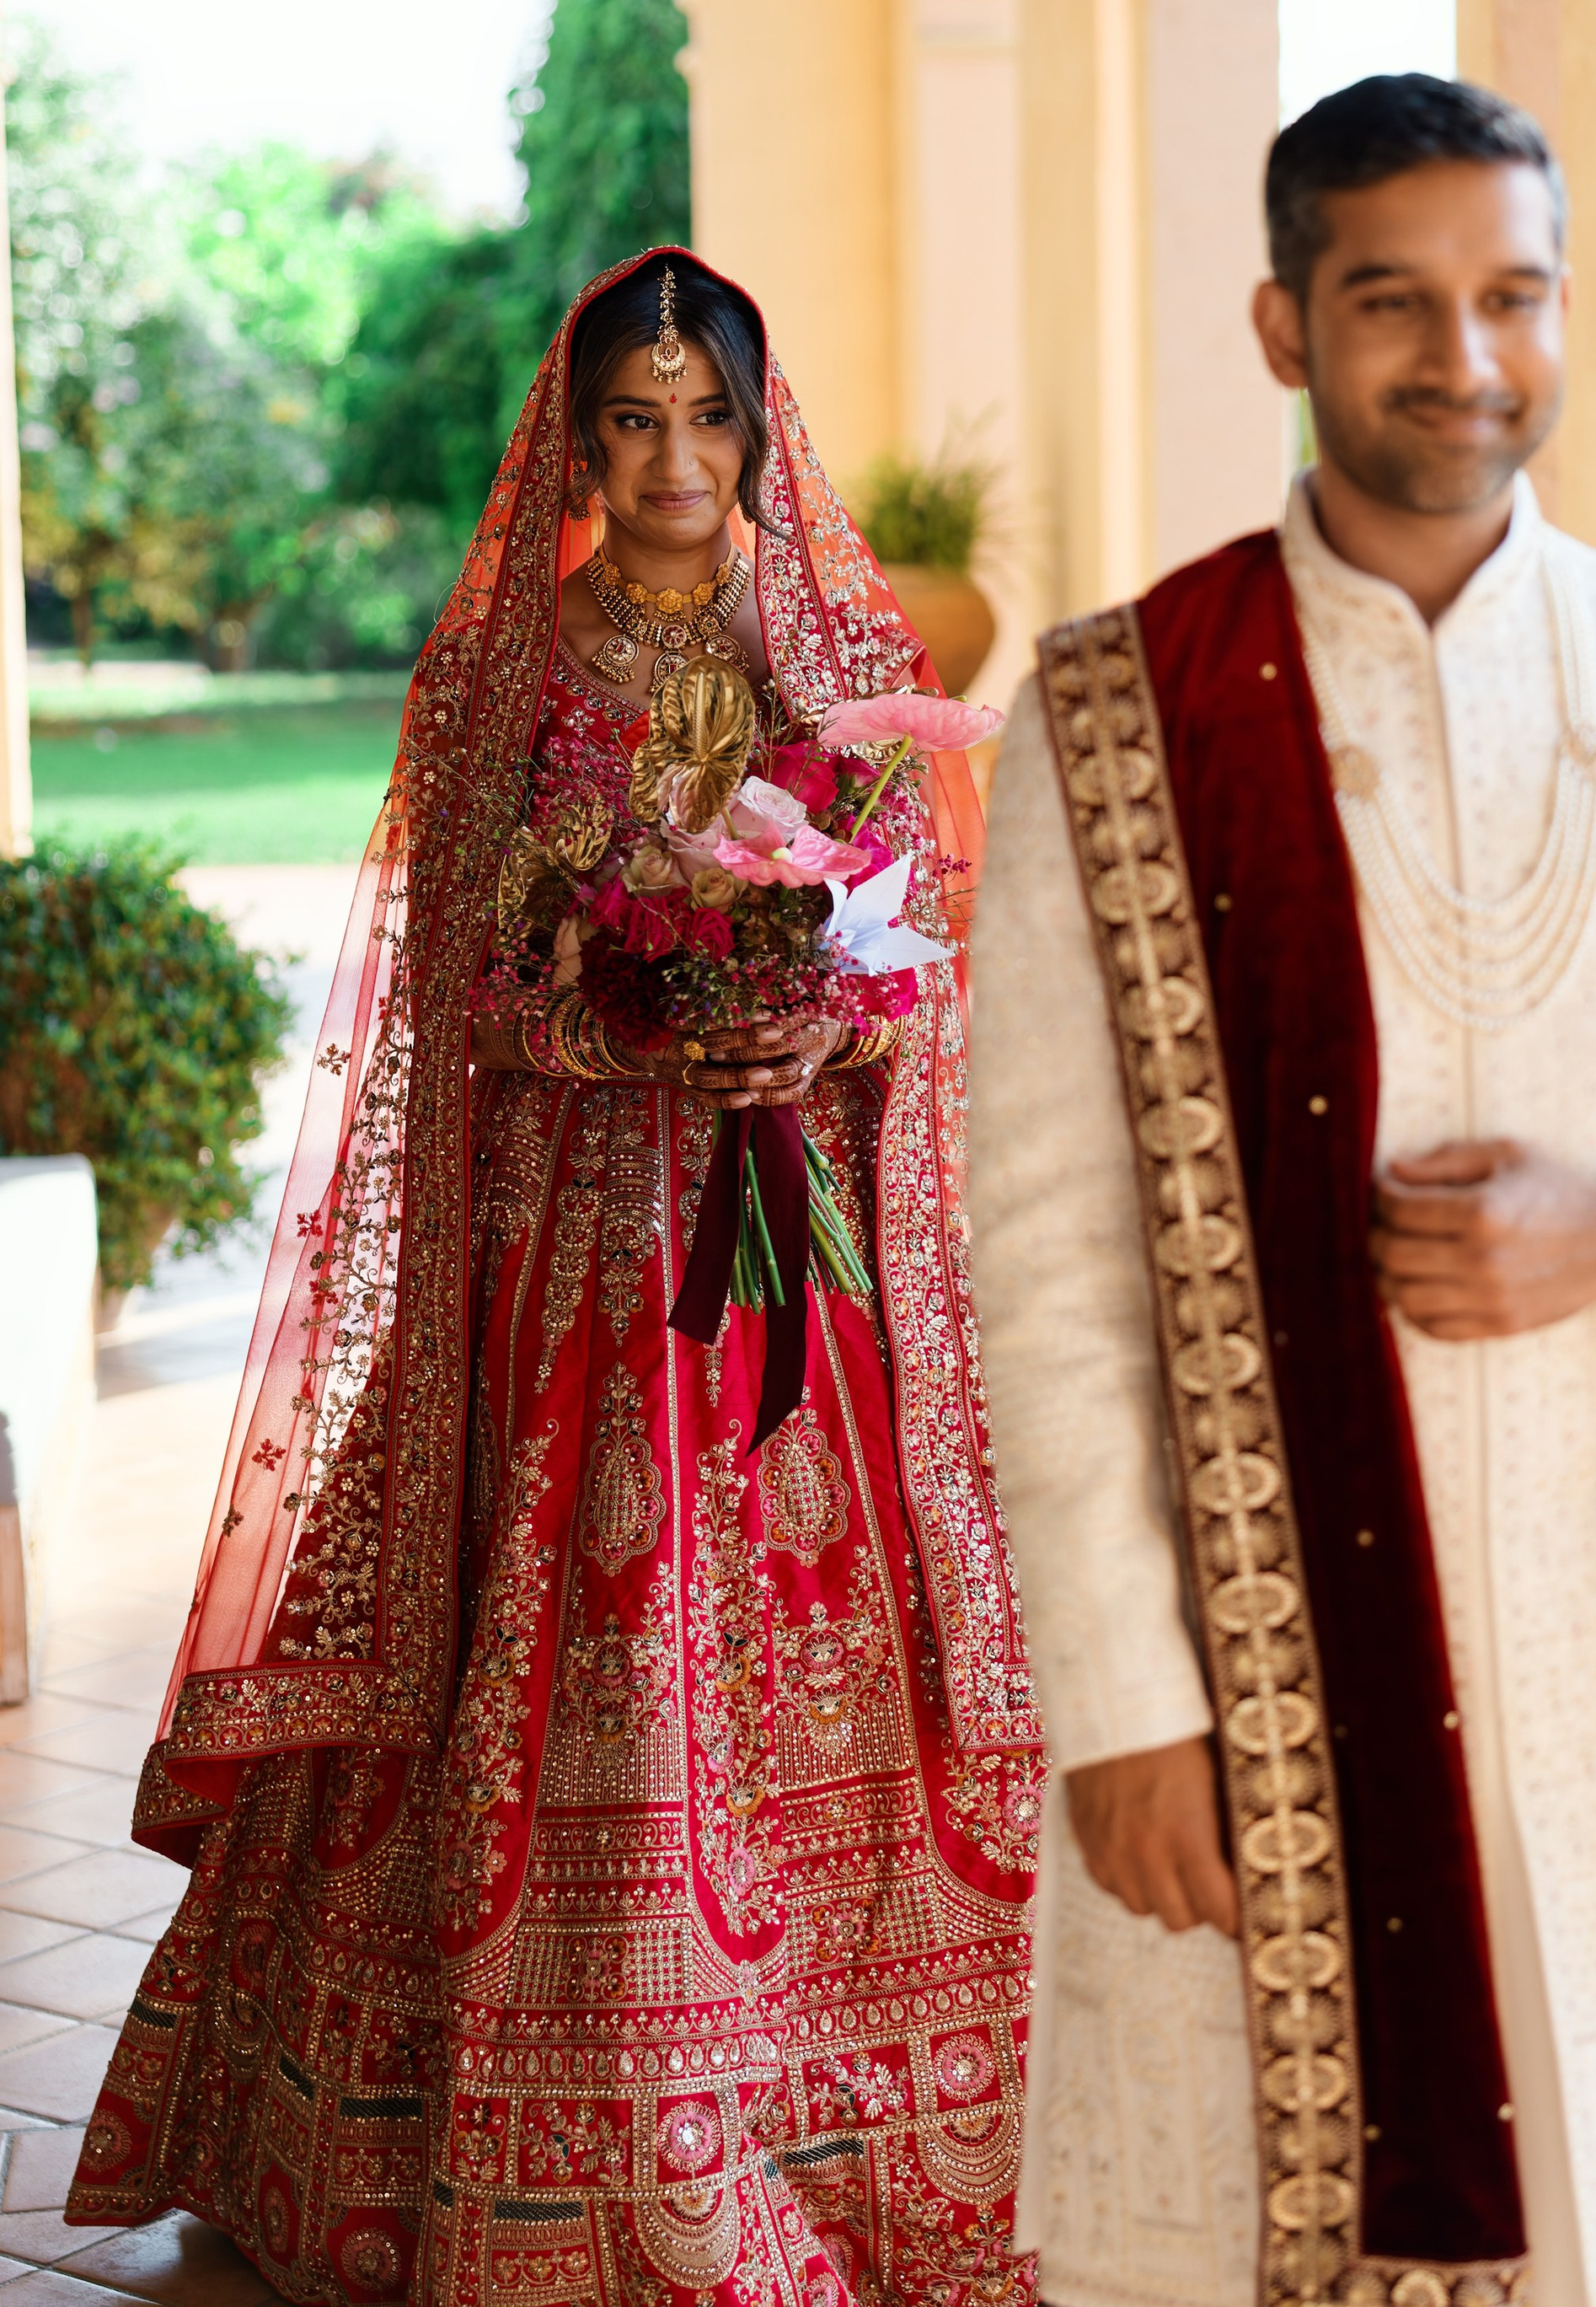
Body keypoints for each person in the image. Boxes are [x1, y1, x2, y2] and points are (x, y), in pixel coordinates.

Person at [967, 78, 1596, 2307]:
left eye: (1511, 295)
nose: (1464, 356)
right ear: (1282, 327)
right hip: (1261, 1646)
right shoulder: (1121, 712)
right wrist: (1125, 1704)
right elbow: (1040, 1254)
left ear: (1564, 311)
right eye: (1393, 299)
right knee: (1249, 2234)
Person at [70, 250, 1043, 2307]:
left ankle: (846, 2147)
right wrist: (637, 1018)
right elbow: (460, 987)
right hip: (580, 1256)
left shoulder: (844, 641)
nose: (675, 456)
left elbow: (931, 955)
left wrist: (824, 1022)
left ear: (762, 426)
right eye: (632, 415)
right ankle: (517, 2135)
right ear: (578, 435)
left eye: (708, 415)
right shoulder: (505, 671)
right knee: (570, 1618)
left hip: (805, 1260)